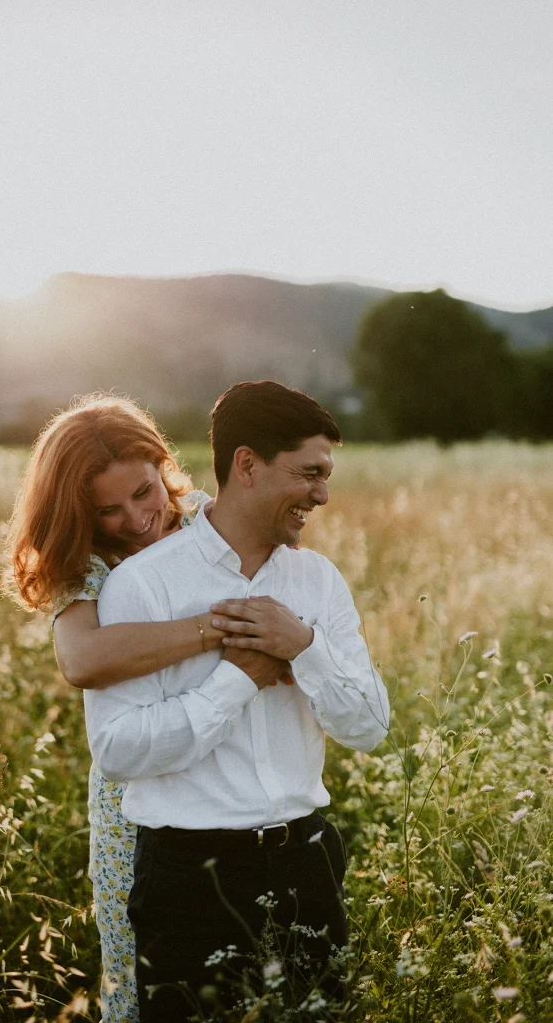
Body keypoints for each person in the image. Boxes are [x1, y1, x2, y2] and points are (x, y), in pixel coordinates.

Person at [85, 380, 391, 1022]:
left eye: (326, 475)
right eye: (308, 473)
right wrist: (239, 677)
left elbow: (369, 726)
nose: (322, 495)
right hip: (188, 876)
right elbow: (117, 751)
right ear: (247, 464)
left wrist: (303, 647)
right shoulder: (143, 585)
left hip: (307, 864)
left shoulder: (318, 580)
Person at [3, 393, 296, 1023]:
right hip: (136, 798)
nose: (137, 520)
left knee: (254, 977)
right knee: (146, 982)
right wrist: (219, 628)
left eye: (144, 492)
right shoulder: (90, 562)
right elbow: (83, 660)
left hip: (236, 784)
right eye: (107, 510)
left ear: (164, 466)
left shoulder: (211, 526)